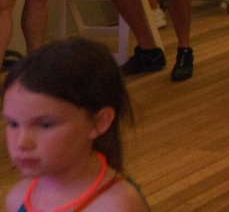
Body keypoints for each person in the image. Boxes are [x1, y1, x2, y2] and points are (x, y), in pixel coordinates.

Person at [3, 38, 148, 212]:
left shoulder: (116, 206)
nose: (21, 142)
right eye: (13, 123)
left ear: (99, 122)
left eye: (45, 125)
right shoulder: (18, 197)